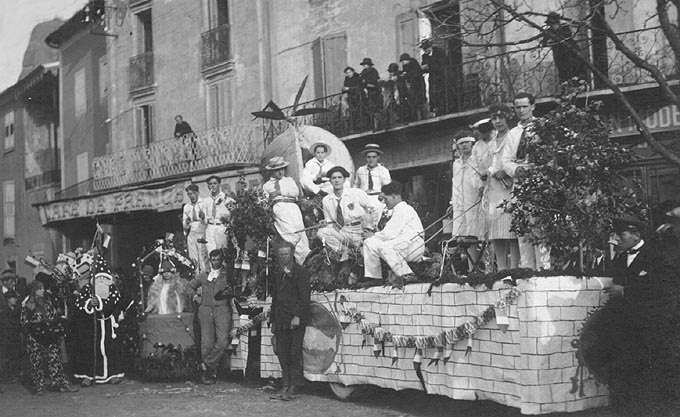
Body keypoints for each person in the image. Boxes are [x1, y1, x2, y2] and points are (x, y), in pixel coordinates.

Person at [503, 92, 551, 270]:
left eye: (525, 106)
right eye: (518, 107)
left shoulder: (543, 127)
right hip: (521, 183)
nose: (522, 110)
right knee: (523, 230)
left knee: (540, 229)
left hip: (539, 182)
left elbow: (549, 155)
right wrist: (517, 170)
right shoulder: (512, 134)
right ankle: (527, 271)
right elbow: (505, 161)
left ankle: (544, 271)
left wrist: (538, 168)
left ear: (533, 106)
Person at [71, 254, 125, 386]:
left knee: (109, 348)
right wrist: (89, 303)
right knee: (90, 348)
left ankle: (111, 374)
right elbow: (79, 302)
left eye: (103, 278)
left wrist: (100, 303)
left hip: (107, 324)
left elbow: (113, 303)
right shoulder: (88, 289)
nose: (101, 281)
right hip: (91, 325)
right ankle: (89, 375)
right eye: (98, 278)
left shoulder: (113, 290)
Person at [268, 240, 310, 401]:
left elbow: (304, 297)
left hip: (295, 319)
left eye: (286, 254)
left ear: (292, 254)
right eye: (280, 255)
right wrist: (273, 319)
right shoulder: (278, 273)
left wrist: (298, 316)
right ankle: (285, 383)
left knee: (294, 352)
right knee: (282, 352)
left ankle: (294, 385)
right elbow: (276, 297)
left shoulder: (301, 272)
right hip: (280, 318)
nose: (283, 257)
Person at [185, 249, 234, 385]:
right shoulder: (203, 275)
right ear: (210, 260)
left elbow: (234, 289)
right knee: (207, 343)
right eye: (213, 259)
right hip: (205, 310)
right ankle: (209, 374)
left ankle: (206, 364)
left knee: (223, 341)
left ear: (221, 260)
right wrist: (195, 297)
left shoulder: (227, 275)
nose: (215, 262)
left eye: (218, 259)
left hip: (222, 309)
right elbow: (189, 287)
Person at [20, 281, 77, 395]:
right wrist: (35, 326)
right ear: (34, 290)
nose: (42, 290)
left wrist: (57, 322)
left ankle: (59, 383)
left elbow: (53, 315)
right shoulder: (29, 304)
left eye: (42, 288)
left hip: (49, 335)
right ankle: (39, 386)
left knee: (55, 359)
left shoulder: (47, 302)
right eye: (39, 289)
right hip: (35, 337)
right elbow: (23, 321)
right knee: (37, 362)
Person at [363, 181, 424, 287]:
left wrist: (374, 235)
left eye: (386, 199)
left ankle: (407, 274)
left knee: (384, 246)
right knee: (369, 242)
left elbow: (390, 233)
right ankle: (375, 277)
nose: (385, 202)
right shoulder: (396, 210)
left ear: (395, 196)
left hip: (414, 245)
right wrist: (372, 238)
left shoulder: (404, 209)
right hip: (402, 244)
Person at [317, 166, 378, 260]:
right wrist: (325, 223)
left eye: (339, 177)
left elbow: (372, 209)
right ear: (330, 181)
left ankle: (358, 249)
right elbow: (330, 222)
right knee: (321, 232)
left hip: (359, 231)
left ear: (344, 179)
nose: (337, 181)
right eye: (334, 178)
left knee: (369, 255)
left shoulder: (356, 193)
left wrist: (370, 228)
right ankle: (346, 251)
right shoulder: (326, 200)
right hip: (343, 233)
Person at [486, 104, 521, 271]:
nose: (498, 121)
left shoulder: (513, 136)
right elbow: (486, 164)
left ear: (508, 118)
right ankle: (501, 270)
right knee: (497, 234)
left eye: (501, 117)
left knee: (512, 232)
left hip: (510, 188)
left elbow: (518, 161)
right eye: (494, 118)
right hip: (494, 191)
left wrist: (506, 173)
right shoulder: (490, 143)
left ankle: (514, 268)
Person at [262, 157, 311, 265]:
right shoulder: (267, 186)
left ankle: (306, 255)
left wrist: (279, 191)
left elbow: (295, 192)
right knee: (289, 232)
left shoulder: (289, 180)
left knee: (300, 230)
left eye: (282, 169)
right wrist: (271, 198)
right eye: (277, 170)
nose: (280, 172)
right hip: (280, 208)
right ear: (272, 171)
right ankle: (298, 257)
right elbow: (264, 200)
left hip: (293, 207)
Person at [541, 12, 588, 83]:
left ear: (558, 22)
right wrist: (548, 41)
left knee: (574, 66)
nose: (553, 25)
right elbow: (544, 43)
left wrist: (555, 38)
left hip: (570, 51)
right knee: (562, 70)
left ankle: (578, 80)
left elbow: (568, 36)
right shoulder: (548, 32)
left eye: (554, 23)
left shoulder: (564, 27)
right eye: (551, 24)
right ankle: (566, 84)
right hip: (559, 54)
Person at [353, 144, 391, 228]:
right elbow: (356, 185)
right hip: (363, 198)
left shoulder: (383, 170)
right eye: (369, 157)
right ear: (366, 158)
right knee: (363, 221)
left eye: (374, 157)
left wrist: (383, 195)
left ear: (378, 157)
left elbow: (388, 186)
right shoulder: (360, 170)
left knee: (377, 221)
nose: (371, 159)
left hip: (378, 197)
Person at [200, 175, 232, 254]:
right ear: (208, 186)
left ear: (219, 184)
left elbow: (231, 214)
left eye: (215, 183)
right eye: (210, 184)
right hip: (210, 228)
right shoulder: (205, 201)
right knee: (210, 253)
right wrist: (203, 217)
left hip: (221, 227)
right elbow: (204, 221)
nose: (212, 186)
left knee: (222, 253)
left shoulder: (226, 198)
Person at [183, 183, 208, 273]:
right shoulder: (186, 207)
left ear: (197, 193)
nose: (191, 196)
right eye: (189, 194)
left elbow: (207, 221)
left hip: (201, 231)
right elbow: (184, 225)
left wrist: (203, 217)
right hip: (191, 233)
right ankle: (196, 278)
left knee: (202, 257)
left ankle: (205, 278)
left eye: (193, 193)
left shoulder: (204, 203)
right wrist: (186, 223)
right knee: (193, 258)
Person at [420, 39, 448, 115]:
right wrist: (423, 68)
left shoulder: (439, 52)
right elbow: (424, 67)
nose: (425, 50)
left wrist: (429, 66)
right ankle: (436, 110)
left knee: (443, 93)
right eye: (423, 49)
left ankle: (444, 110)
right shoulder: (424, 56)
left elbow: (442, 64)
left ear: (430, 47)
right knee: (433, 93)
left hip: (443, 76)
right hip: (432, 78)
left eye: (426, 48)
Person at [399, 53, 427, 121]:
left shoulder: (414, 64)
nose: (403, 63)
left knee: (420, 101)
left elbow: (416, 73)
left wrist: (406, 74)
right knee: (413, 102)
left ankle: (423, 116)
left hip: (418, 85)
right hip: (412, 86)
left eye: (403, 61)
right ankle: (416, 117)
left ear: (407, 60)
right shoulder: (406, 66)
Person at [359, 58, 382, 128]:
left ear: (369, 65)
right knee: (366, 107)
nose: (365, 66)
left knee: (374, 107)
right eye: (364, 65)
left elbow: (374, 82)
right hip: (366, 91)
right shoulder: (363, 71)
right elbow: (361, 80)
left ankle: (376, 124)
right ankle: (369, 123)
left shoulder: (373, 71)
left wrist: (366, 83)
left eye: (366, 65)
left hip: (373, 91)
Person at [342, 66, 366, 131]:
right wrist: (344, 89)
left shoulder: (358, 78)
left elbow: (359, 87)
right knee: (351, 112)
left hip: (357, 97)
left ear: (353, 72)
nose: (348, 74)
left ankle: (358, 126)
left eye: (349, 72)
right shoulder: (347, 79)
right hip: (350, 98)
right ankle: (348, 123)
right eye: (347, 73)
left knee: (357, 112)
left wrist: (349, 89)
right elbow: (344, 88)